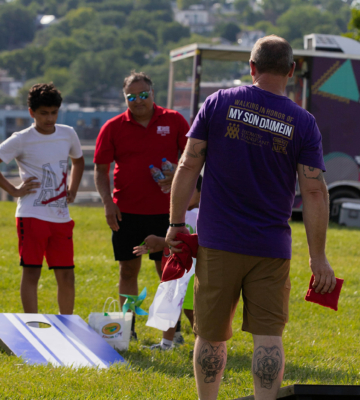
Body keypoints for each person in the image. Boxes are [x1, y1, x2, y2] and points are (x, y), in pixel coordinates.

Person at [165, 35, 337, 399]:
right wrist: (318, 257)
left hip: (219, 242)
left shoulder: (218, 102)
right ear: (291, 71)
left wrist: (176, 224)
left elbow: (188, 163)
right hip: (271, 246)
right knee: (268, 337)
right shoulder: (303, 122)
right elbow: (314, 191)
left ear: (251, 67)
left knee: (210, 335)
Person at [94, 71, 189, 337]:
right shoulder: (113, 126)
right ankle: (126, 329)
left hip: (168, 212)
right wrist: (107, 204)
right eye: (131, 96)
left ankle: (172, 329)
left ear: (153, 94)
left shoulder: (174, 120)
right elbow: (100, 170)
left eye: (143, 95)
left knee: (167, 271)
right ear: (125, 98)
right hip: (126, 211)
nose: (138, 101)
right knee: (128, 269)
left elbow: (193, 158)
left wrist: (178, 176)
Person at [0, 83, 84, 315]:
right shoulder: (21, 138)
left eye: (54, 112)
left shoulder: (68, 133)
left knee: (67, 275)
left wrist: (73, 188)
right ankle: (32, 327)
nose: (49, 118)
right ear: (31, 113)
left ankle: (67, 325)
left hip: (61, 217)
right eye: (43, 113)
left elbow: (78, 160)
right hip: (31, 215)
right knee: (32, 273)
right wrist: (13, 190)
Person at [133, 175, 202, 350]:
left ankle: (204, 345)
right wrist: (157, 244)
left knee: (191, 309)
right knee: (171, 306)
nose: (183, 195)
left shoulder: (199, 215)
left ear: (202, 193)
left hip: (192, 272)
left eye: (189, 191)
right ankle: (166, 344)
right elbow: (172, 241)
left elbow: (189, 241)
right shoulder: (179, 216)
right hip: (177, 270)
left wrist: (159, 240)